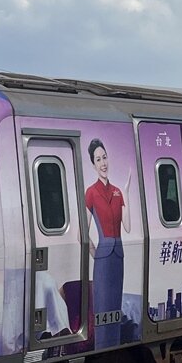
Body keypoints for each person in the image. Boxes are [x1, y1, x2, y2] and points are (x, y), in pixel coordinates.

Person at [83, 138, 128, 343]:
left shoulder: (118, 191)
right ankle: (102, 347)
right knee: (103, 314)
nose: (103, 163)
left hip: (118, 257)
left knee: (115, 312)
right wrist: (98, 256)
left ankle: (114, 345)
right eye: (98, 159)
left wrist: (127, 194)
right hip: (103, 260)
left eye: (105, 157)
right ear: (93, 164)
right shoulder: (91, 192)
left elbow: (127, 225)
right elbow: (82, 234)